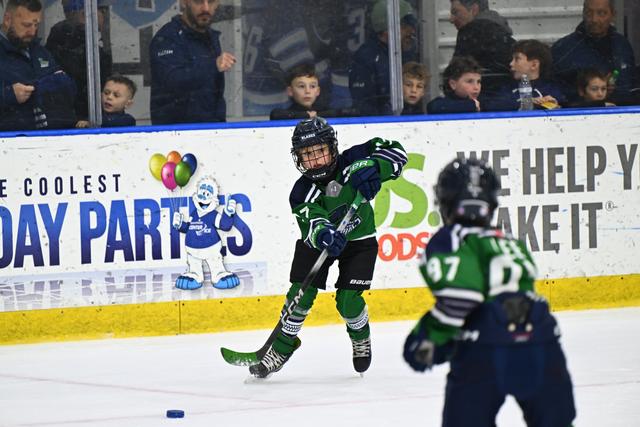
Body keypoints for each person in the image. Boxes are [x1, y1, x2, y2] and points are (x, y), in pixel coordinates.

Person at [403, 157, 576, 427]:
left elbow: (460, 300)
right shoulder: (509, 241)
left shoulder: (450, 238)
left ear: (445, 201)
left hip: (486, 350)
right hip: (542, 341)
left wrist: (427, 339)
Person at [249, 117, 407, 378]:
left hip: (360, 240)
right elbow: (312, 221)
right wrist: (324, 233)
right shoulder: (301, 192)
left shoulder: (354, 159)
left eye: (320, 150)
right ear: (298, 157)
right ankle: (283, 347)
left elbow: (397, 152)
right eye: (307, 154)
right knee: (300, 294)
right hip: (321, 242)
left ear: (332, 147)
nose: (316, 160)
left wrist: (376, 166)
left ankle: (360, 335)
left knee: (347, 301)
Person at [149, 0, 236, 125]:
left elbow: (213, 93)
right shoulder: (167, 38)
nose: (206, 8)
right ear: (184, 2)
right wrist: (212, 66)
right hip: (175, 132)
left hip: (211, 129)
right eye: (198, 1)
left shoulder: (210, 37)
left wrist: (220, 124)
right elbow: (171, 81)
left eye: (211, 1)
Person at [0, 0, 77, 131]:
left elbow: (68, 93)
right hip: (9, 137)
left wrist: (62, 83)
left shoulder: (39, 51)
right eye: (26, 25)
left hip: (49, 135)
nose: (32, 31)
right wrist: (8, 95)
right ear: (7, 20)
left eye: (36, 25)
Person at [552, 0, 636, 104]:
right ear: (583, 13)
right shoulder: (564, 48)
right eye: (589, 13)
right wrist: (587, 93)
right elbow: (551, 91)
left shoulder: (622, 45)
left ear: (613, 15)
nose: (594, 19)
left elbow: (631, 84)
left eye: (601, 13)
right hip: (581, 113)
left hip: (625, 112)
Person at [45, 0, 113, 122]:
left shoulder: (94, 36)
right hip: (73, 112)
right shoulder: (66, 34)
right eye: (102, 11)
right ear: (85, 12)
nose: (103, 16)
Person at [349, 0, 417, 116]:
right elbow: (363, 104)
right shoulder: (366, 57)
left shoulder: (408, 54)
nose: (411, 31)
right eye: (405, 26)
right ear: (386, 29)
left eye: (412, 26)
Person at [448, 0, 515, 95]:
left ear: (474, 9)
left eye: (455, 12)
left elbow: (455, 74)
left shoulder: (470, 32)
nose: (451, 19)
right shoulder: (502, 32)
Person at [484, 39, 566, 111]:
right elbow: (491, 105)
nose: (511, 63)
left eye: (517, 59)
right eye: (512, 59)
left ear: (534, 65)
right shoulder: (506, 88)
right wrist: (524, 103)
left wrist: (555, 108)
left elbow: (565, 106)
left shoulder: (552, 90)